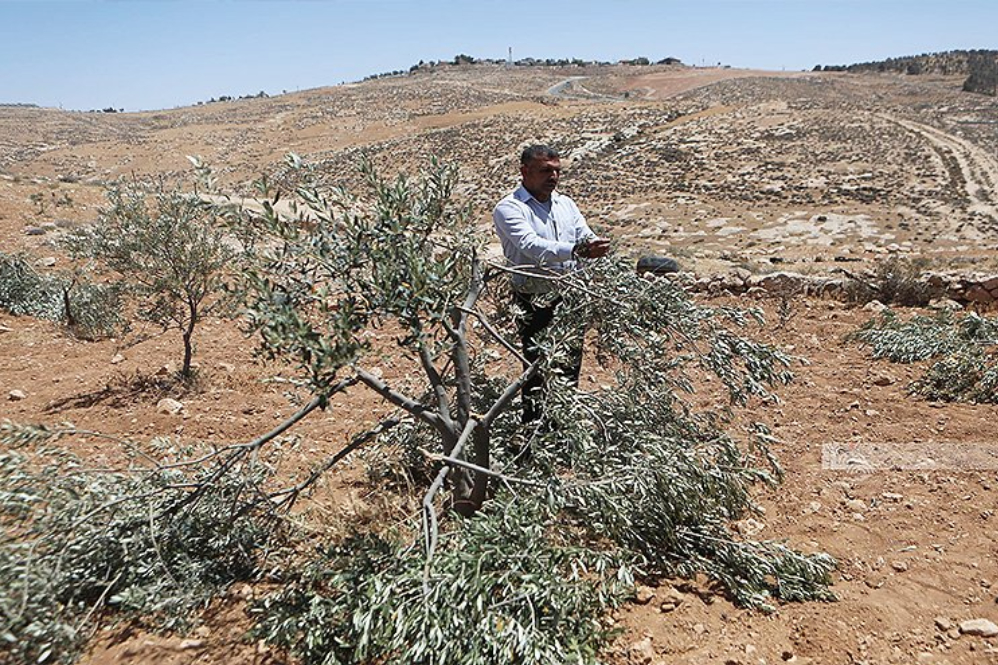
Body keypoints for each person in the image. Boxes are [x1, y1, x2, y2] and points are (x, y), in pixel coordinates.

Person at [493, 144, 610, 425]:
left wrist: (593, 245)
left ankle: (563, 428)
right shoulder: (509, 208)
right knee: (537, 367)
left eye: (557, 170)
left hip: (570, 296)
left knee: (569, 365)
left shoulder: (566, 204)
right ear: (525, 171)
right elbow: (532, 246)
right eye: (546, 170)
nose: (554, 177)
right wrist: (578, 250)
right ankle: (535, 434)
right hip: (534, 299)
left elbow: (583, 233)